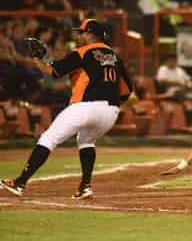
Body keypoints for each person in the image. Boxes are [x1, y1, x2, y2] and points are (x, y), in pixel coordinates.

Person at [0, 19, 133, 199]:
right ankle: (85, 187)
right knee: (86, 140)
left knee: (49, 138)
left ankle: (20, 182)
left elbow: (54, 71)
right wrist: (112, 106)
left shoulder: (83, 52)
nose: (80, 36)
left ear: (90, 34)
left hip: (85, 107)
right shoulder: (115, 57)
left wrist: (40, 57)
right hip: (110, 113)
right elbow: (127, 90)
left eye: (82, 32)